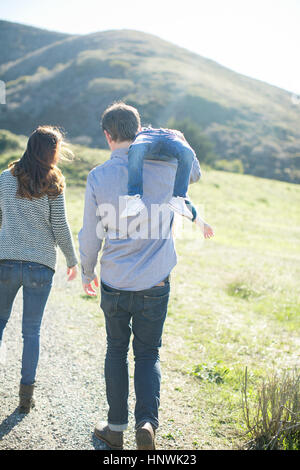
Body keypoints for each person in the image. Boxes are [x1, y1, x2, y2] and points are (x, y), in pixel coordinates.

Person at [78, 102, 213, 450]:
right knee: (149, 354)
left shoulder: (98, 176)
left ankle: (115, 428)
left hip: (115, 281)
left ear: (108, 135)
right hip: (155, 282)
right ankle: (147, 424)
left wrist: (87, 271)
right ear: (140, 132)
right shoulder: (168, 168)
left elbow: (90, 235)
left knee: (115, 351)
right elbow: (195, 172)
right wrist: (177, 141)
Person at [0, 126, 78, 413]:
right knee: (31, 332)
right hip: (41, 266)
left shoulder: (4, 179)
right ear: (51, 152)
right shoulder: (53, 181)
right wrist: (72, 259)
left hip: (4, 262)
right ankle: (25, 398)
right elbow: (60, 226)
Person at [121, 126, 214, 238]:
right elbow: (195, 175)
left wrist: (201, 223)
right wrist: (184, 142)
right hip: (159, 236)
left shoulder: (133, 164)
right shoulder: (172, 170)